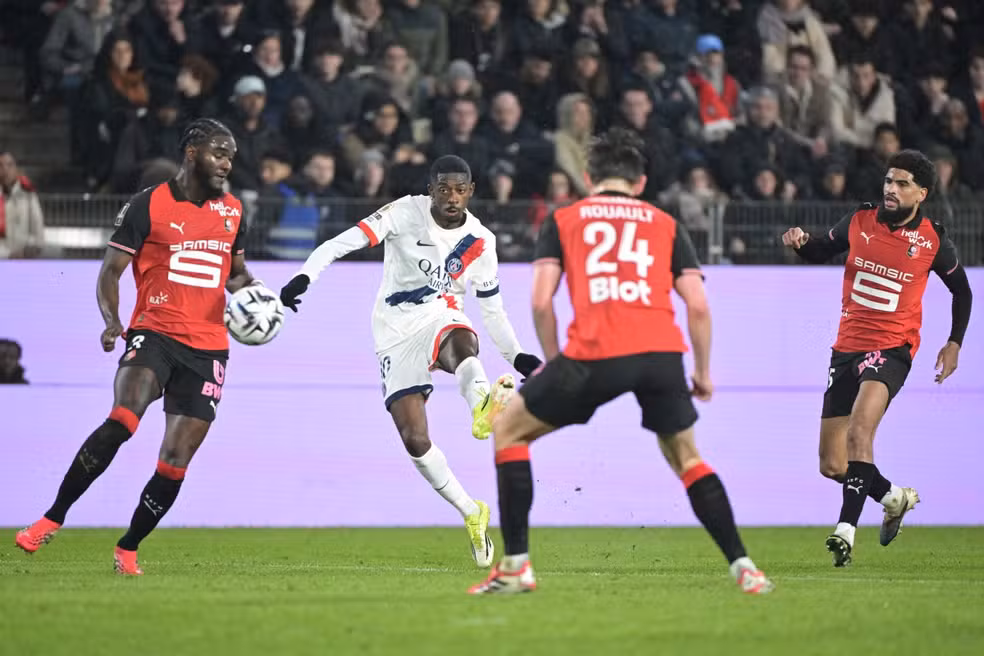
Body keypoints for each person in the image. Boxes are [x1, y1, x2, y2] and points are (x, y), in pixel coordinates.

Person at [468, 128, 774, 595]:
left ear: (588, 176)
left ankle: (515, 567)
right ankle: (745, 568)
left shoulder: (565, 218)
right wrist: (703, 371)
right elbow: (697, 305)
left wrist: (554, 364)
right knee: (687, 457)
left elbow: (540, 301)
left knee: (508, 430)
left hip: (594, 353)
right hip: (660, 354)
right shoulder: (665, 223)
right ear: (641, 182)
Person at [15, 119, 260, 576]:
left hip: (208, 348)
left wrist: (254, 294)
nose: (227, 163)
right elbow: (110, 271)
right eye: (218, 153)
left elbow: (236, 273)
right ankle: (52, 517)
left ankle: (128, 548)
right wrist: (113, 323)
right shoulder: (148, 205)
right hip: (155, 331)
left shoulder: (233, 211)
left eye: (231, 156)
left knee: (174, 461)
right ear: (192, 153)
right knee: (124, 418)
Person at [279, 155, 542, 568]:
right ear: (430, 189)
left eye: (460, 189)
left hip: (441, 314)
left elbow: (492, 309)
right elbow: (341, 242)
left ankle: (481, 407)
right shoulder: (404, 212)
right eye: (443, 189)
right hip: (393, 329)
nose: (452, 197)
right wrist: (305, 276)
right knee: (415, 440)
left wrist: (518, 355)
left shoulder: (481, 240)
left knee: (461, 345)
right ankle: (472, 512)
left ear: (471, 191)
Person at [781, 149, 973, 567]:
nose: (891, 188)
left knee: (860, 431)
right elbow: (819, 251)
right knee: (832, 464)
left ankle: (845, 532)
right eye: (889, 180)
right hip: (845, 349)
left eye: (902, 183)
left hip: (892, 350)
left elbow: (963, 291)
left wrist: (954, 342)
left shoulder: (932, 241)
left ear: (921, 193)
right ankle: (893, 497)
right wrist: (800, 242)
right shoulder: (859, 222)